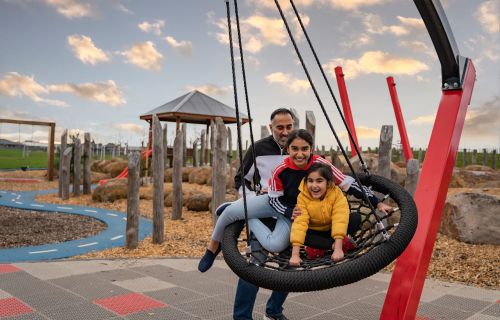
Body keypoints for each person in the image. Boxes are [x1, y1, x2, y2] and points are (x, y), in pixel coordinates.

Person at [200, 108, 294, 320]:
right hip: (262, 211)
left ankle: (274, 311)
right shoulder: (258, 148)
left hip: (289, 212)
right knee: (255, 263)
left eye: (289, 126)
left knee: (289, 266)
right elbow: (241, 179)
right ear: (271, 128)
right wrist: (251, 199)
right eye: (280, 127)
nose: (285, 131)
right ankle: (242, 317)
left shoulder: (297, 148)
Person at [289, 162, 350, 266]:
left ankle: (331, 246)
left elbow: (340, 217)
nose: (314, 185)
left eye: (319, 181)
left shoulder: (336, 194)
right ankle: (332, 246)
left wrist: (339, 249)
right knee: (304, 236)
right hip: (315, 232)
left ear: (328, 183)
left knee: (355, 218)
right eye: (310, 181)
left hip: (333, 229)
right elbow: (300, 223)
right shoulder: (302, 197)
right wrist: (295, 255)